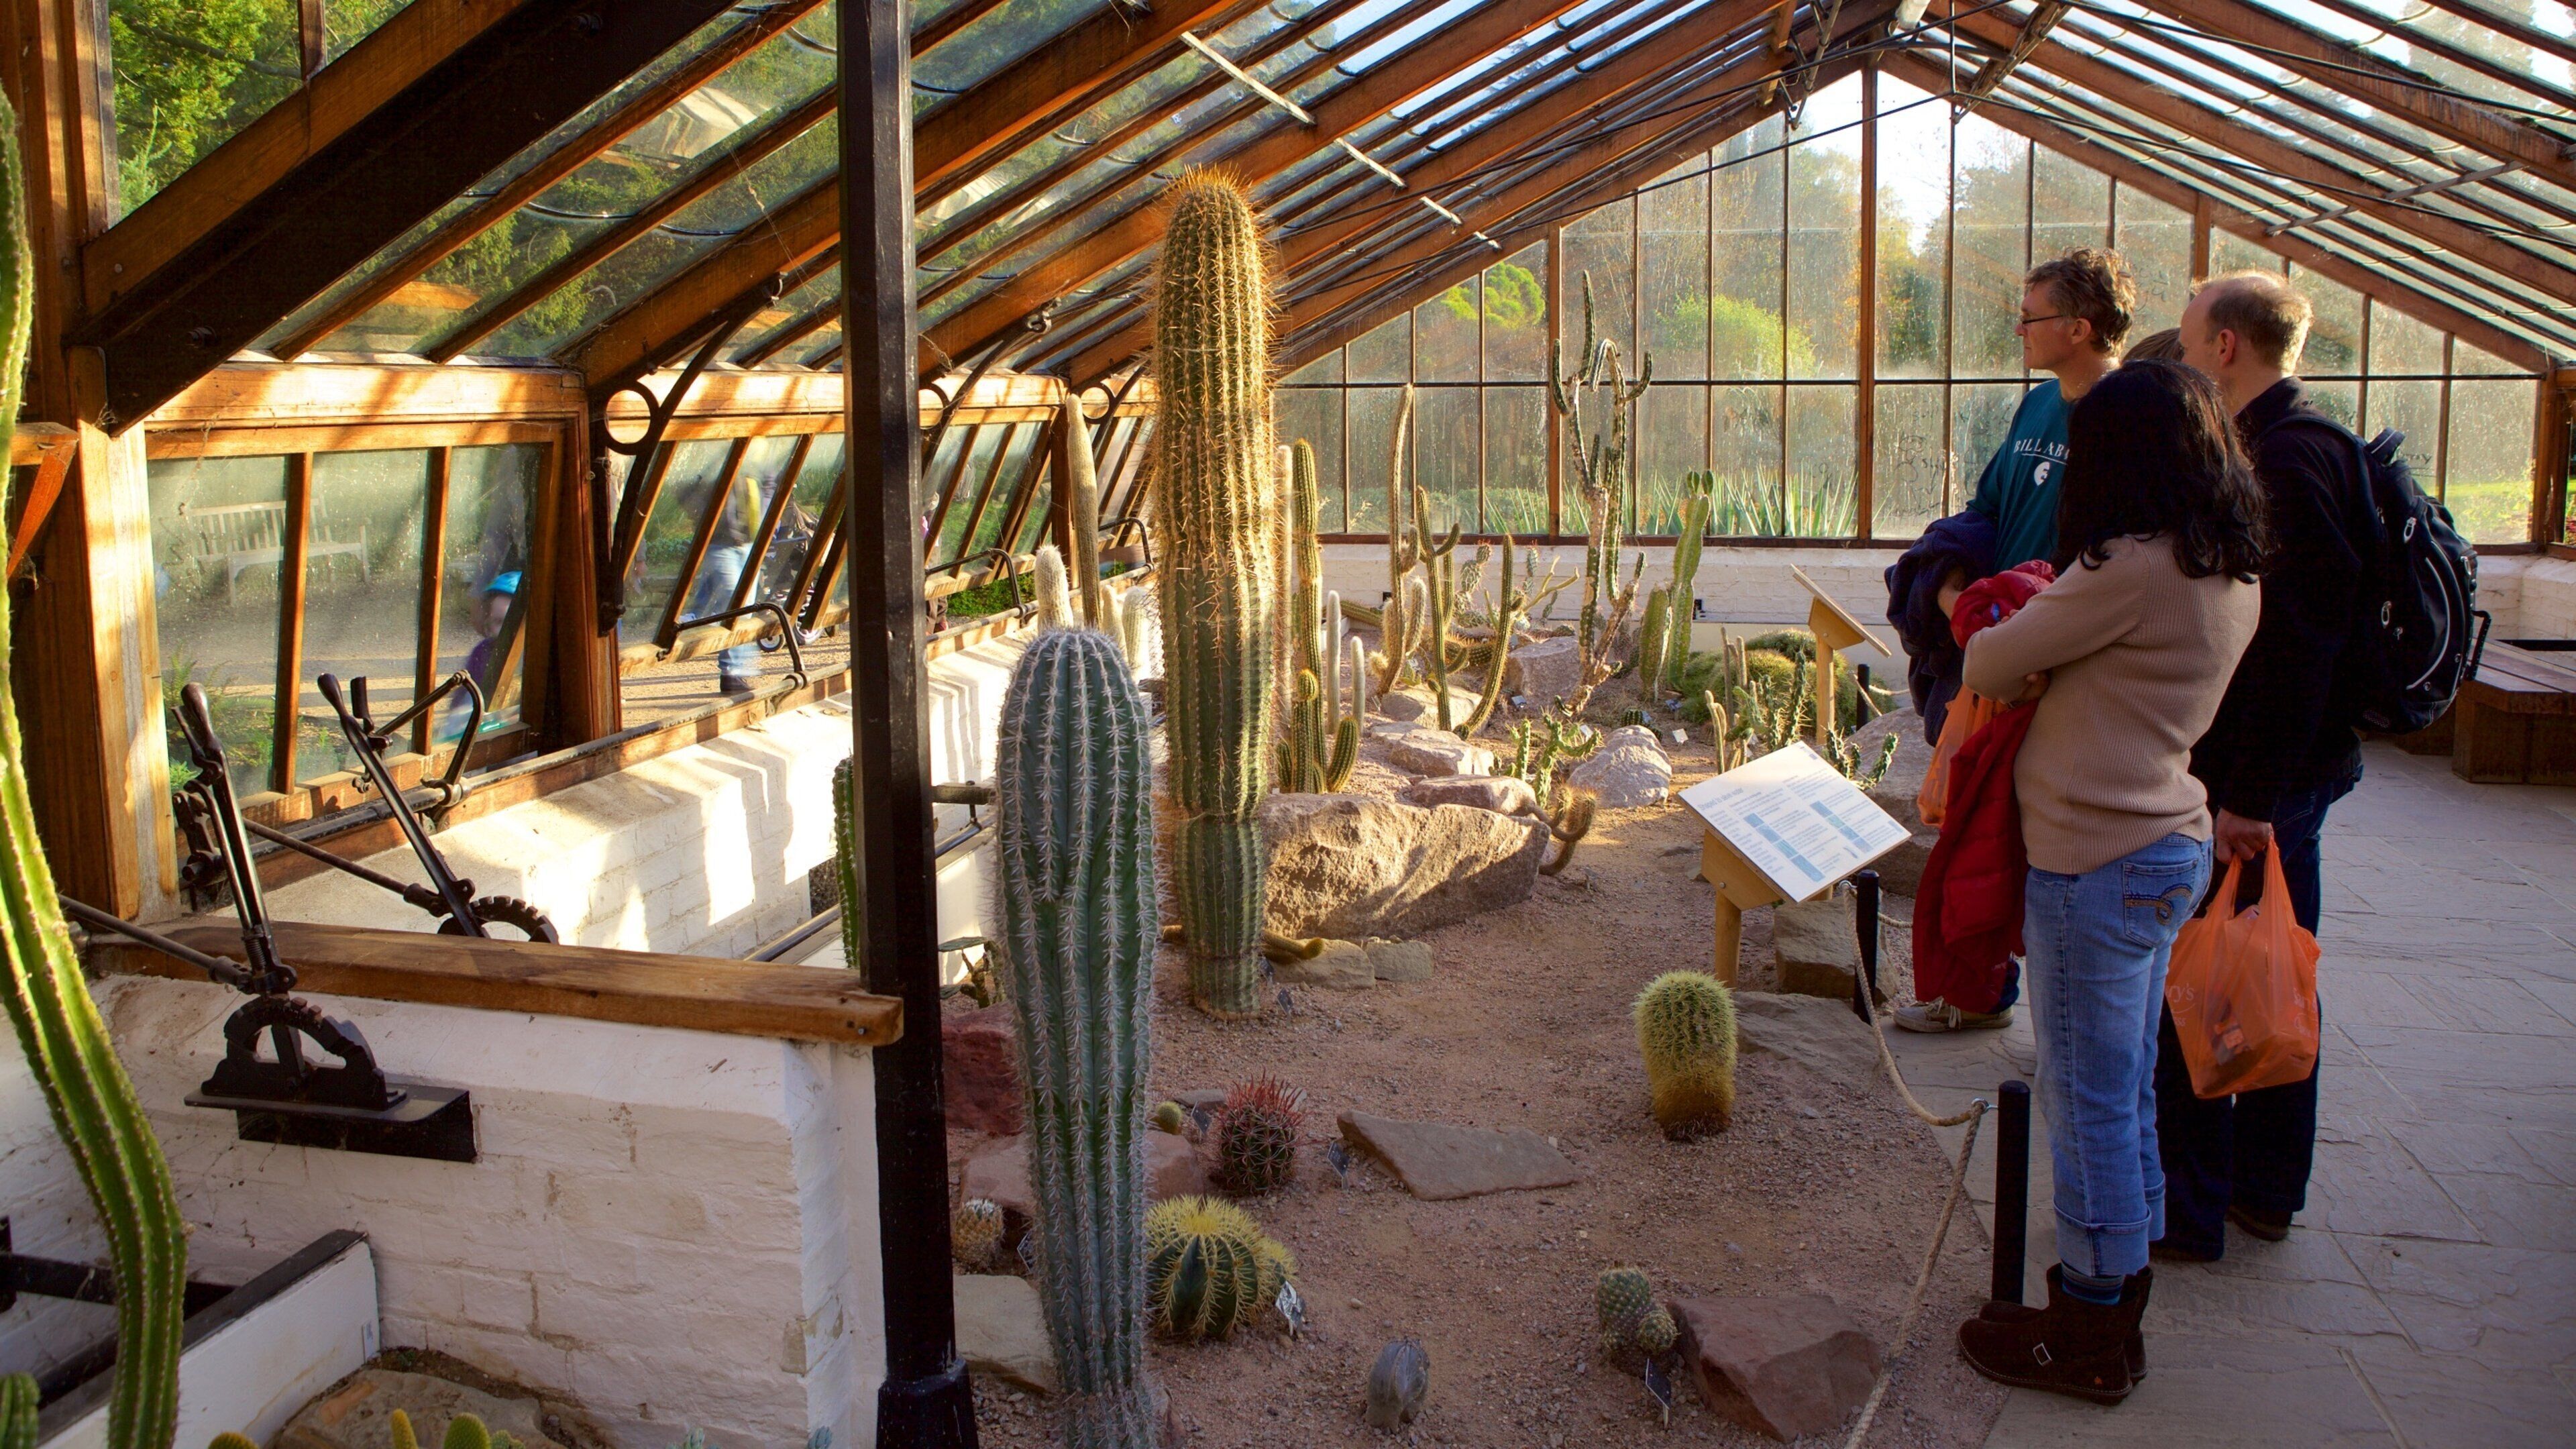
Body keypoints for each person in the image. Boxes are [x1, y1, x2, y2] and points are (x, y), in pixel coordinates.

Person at [1953, 358, 2267, 1403]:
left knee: (2087, 1093)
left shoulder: (2132, 566)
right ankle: (2115, 1296)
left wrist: (2007, 633)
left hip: (2098, 855)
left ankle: (2085, 1326)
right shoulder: (2228, 566)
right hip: (2161, 840)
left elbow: (1993, 663)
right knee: (2122, 1085)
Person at [2156, 270, 2367, 1259]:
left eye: (2192, 336)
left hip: (2268, 783)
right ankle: (2253, 1185)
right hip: (2275, 774)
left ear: (2227, 347)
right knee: (2265, 968)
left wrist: (2251, 797)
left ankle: (2219, 1193)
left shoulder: (2289, 461)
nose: (2186, 353)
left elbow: (2302, 645)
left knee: (2238, 977)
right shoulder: (2296, 444)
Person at [1890, 246, 2137, 1034]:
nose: (2019, 329)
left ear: (2080, 326)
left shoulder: (2129, 416)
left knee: (2021, 832)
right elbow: (1990, 502)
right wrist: (1953, 584)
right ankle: (1982, 991)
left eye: (2031, 318)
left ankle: (2048, 1010)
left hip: (2057, 661)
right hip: (1994, 639)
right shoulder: (2038, 404)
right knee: (1976, 823)